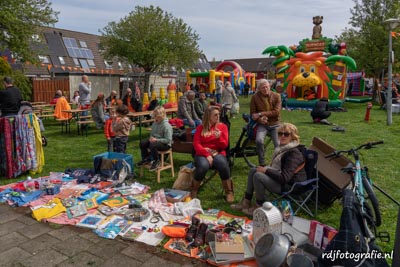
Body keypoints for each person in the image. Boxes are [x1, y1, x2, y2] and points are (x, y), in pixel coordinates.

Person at [231, 123, 307, 215]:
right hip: (281, 180)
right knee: (253, 170)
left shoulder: (293, 153)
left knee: (258, 176)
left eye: (286, 134)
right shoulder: (282, 149)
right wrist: (265, 169)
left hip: (290, 185)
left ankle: (259, 206)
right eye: (280, 133)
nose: (282, 136)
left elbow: (284, 178)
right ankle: (246, 202)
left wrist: (266, 170)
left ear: (293, 137)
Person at [192, 106, 234, 203]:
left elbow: (225, 145)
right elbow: (197, 144)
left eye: (218, 114)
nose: (218, 116)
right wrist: (207, 154)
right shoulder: (200, 128)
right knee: (203, 166)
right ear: (208, 116)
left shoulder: (223, 127)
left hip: (218, 152)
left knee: (222, 164)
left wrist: (219, 138)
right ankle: (194, 190)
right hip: (202, 153)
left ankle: (229, 191)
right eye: (215, 115)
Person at [250, 79, 281, 166]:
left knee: (278, 144)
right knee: (259, 141)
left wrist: (260, 114)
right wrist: (260, 120)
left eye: (267, 87)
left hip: (275, 124)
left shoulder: (277, 96)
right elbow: (252, 113)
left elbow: (276, 112)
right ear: (259, 89)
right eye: (263, 87)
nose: (265, 89)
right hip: (262, 124)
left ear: (270, 86)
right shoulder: (254, 97)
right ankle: (262, 163)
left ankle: (277, 163)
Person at [137, 106, 173, 171]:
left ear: (161, 116)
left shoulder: (167, 126)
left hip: (165, 144)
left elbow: (168, 140)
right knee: (142, 143)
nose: (155, 118)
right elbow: (152, 134)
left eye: (156, 116)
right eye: (155, 116)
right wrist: (151, 138)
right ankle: (146, 159)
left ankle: (156, 161)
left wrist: (156, 140)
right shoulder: (155, 123)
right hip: (156, 141)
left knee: (153, 145)